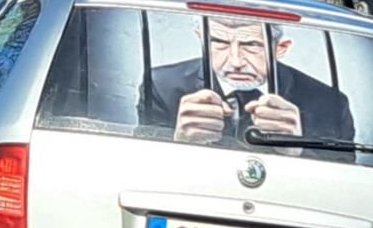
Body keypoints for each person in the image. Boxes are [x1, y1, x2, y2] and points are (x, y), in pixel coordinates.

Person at [141, 16, 355, 148]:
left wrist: (296, 148)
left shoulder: (329, 104)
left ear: (281, 48)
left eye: (251, 45)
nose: (236, 62)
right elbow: (141, 164)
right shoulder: (161, 85)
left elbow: (344, 180)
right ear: (201, 39)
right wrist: (180, 142)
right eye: (219, 42)